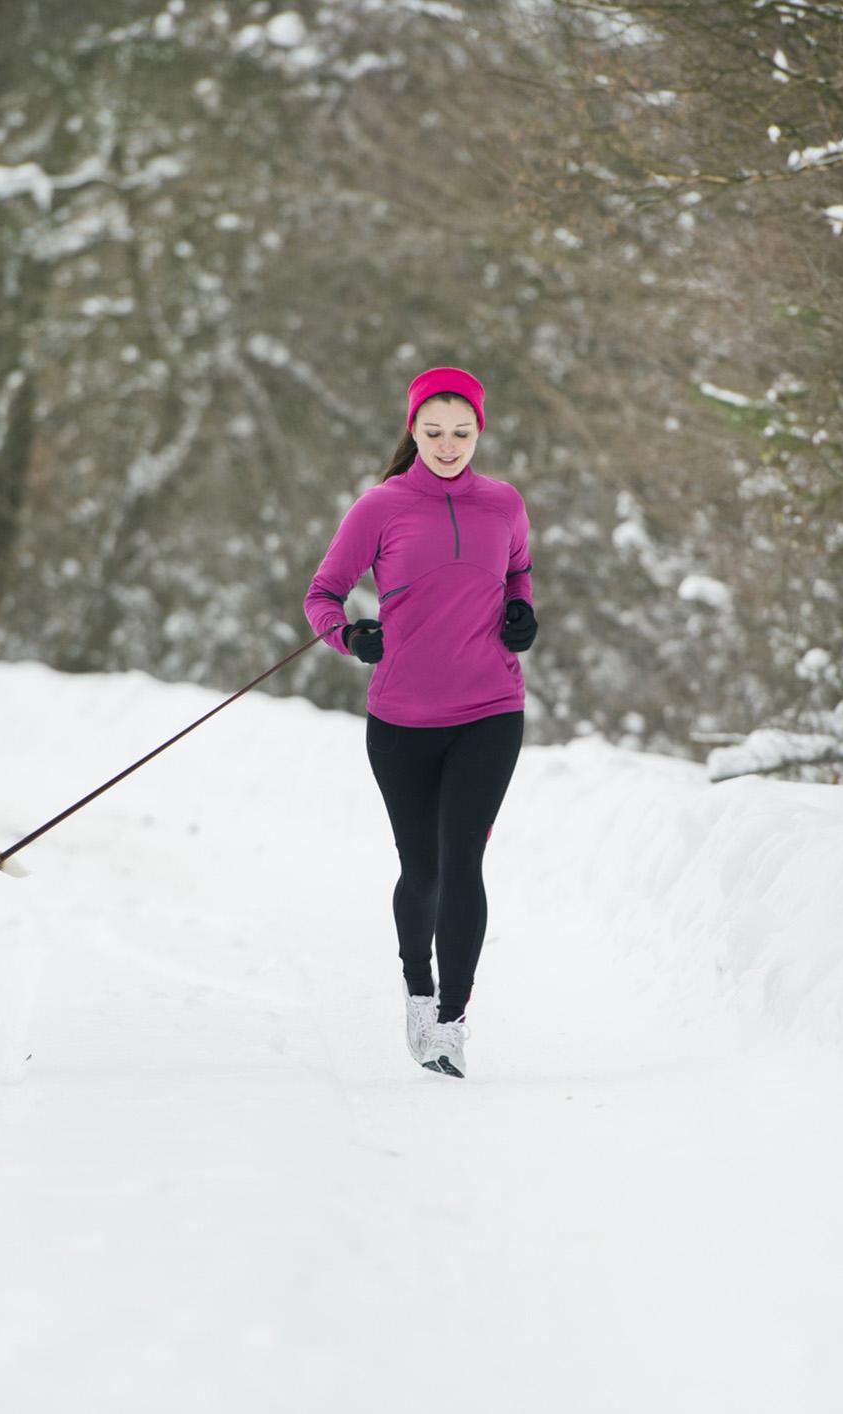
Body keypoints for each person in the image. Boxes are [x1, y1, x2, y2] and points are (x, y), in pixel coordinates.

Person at [304, 366, 538, 1078]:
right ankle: (418, 990)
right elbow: (323, 596)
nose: (446, 445)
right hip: (402, 718)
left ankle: (451, 1022)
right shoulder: (380, 507)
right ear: (412, 430)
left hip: (489, 709)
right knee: (424, 867)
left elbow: (519, 573)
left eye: (460, 432)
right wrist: (352, 637)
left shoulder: (503, 504)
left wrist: (521, 614)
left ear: (479, 431)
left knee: (464, 861)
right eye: (432, 432)